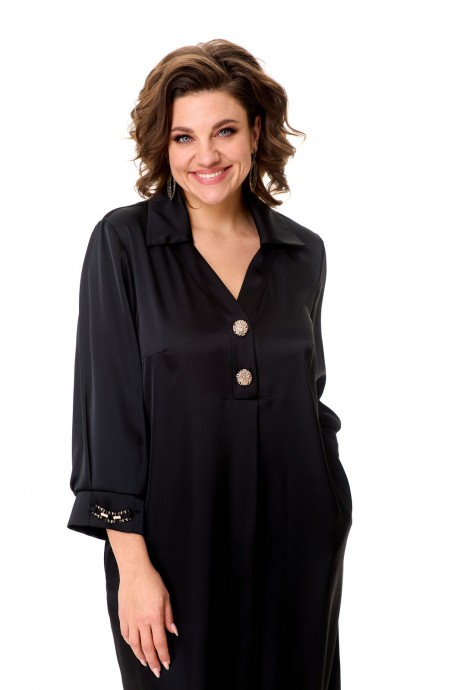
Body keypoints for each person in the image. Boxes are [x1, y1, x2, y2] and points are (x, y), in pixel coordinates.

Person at [67, 38, 353, 690]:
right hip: (174, 548)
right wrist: (133, 568)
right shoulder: (124, 244)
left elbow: (306, 391)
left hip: (298, 538)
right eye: (184, 137)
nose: (206, 155)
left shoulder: (302, 253)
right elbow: (107, 411)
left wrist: (331, 505)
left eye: (224, 131)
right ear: (163, 146)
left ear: (256, 131)